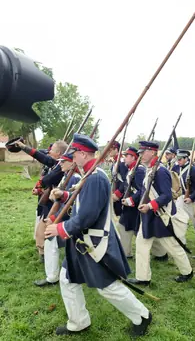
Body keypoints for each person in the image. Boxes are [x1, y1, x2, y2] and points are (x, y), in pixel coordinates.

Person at [44, 134, 152, 337]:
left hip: (93, 242)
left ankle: (142, 315)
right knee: (67, 279)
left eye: (74, 154)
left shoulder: (95, 177)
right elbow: (82, 198)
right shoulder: (89, 174)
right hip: (81, 242)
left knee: (107, 287)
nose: (72, 159)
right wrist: (64, 195)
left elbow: (87, 215)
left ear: (83, 154)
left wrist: (60, 229)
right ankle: (78, 322)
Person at [127, 141, 193, 286]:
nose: (141, 155)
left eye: (143, 152)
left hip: (160, 216)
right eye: (140, 152)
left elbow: (166, 196)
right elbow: (144, 191)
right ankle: (143, 278)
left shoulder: (161, 171)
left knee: (173, 247)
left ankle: (187, 272)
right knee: (141, 247)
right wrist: (134, 201)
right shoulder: (149, 169)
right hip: (148, 216)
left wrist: (150, 206)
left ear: (153, 152)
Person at [16, 139, 68, 261]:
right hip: (46, 200)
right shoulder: (54, 163)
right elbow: (41, 156)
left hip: (53, 203)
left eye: (53, 150)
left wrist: (42, 186)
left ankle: (47, 255)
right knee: (41, 225)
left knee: (48, 230)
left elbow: (46, 180)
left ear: (59, 154)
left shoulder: (59, 166)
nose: (49, 152)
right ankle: (43, 252)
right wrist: (24, 147)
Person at [34, 153, 81, 287]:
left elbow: (70, 203)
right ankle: (53, 276)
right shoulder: (67, 176)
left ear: (72, 163)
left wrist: (54, 217)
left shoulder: (74, 178)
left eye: (63, 162)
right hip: (63, 216)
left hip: (67, 217)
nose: (60, 164)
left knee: (52, 243)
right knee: (52, 244)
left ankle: (52, 277)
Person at [119, 146, 145, 258]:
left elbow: (142, 190)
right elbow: (126, 185)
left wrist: (131, 200)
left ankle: (126, 253)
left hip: (135, 206)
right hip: (130, 205)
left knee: (125, 228)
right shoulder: (131, 169)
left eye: (127, 156)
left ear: (134, 157)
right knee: (124, 227)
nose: (124, 158)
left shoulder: (138, 170)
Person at [172, 149, 195, 229]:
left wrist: (191, 198)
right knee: (177, 216)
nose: (178, 161)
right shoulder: (176, 168)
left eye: (180, 159)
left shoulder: (194, 170)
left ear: (186, 158)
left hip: (192, 197)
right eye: (178, 159)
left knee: (194, 218)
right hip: (181, 196)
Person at [109, 141, 128, 216]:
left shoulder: (121, 162)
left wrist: (117, 193)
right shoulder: (115, 161)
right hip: (115, 192)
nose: (109, 151)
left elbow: (126, 180)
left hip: (120, 195)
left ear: (116, 149)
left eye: (110, 149)